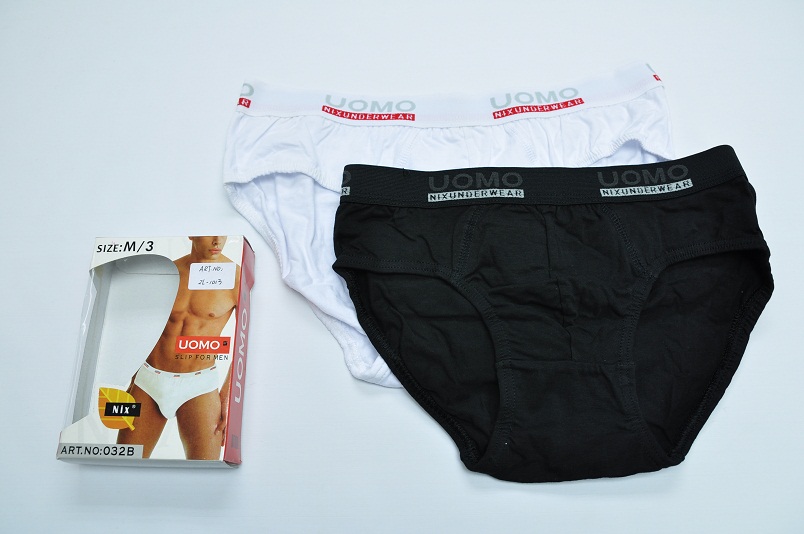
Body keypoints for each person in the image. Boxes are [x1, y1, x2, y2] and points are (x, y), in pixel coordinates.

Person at [117, 236, 240, 459]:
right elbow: (142, 329)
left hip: (199, 386)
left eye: (223, 235)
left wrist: (228, 396)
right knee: (124, 462)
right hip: (148, 382)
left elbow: (246, 344)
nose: (217, 241)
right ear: (191, 234)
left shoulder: (236, 277)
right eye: (210, 233)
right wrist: (133, 376)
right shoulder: (168, 273)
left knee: (204, 472)